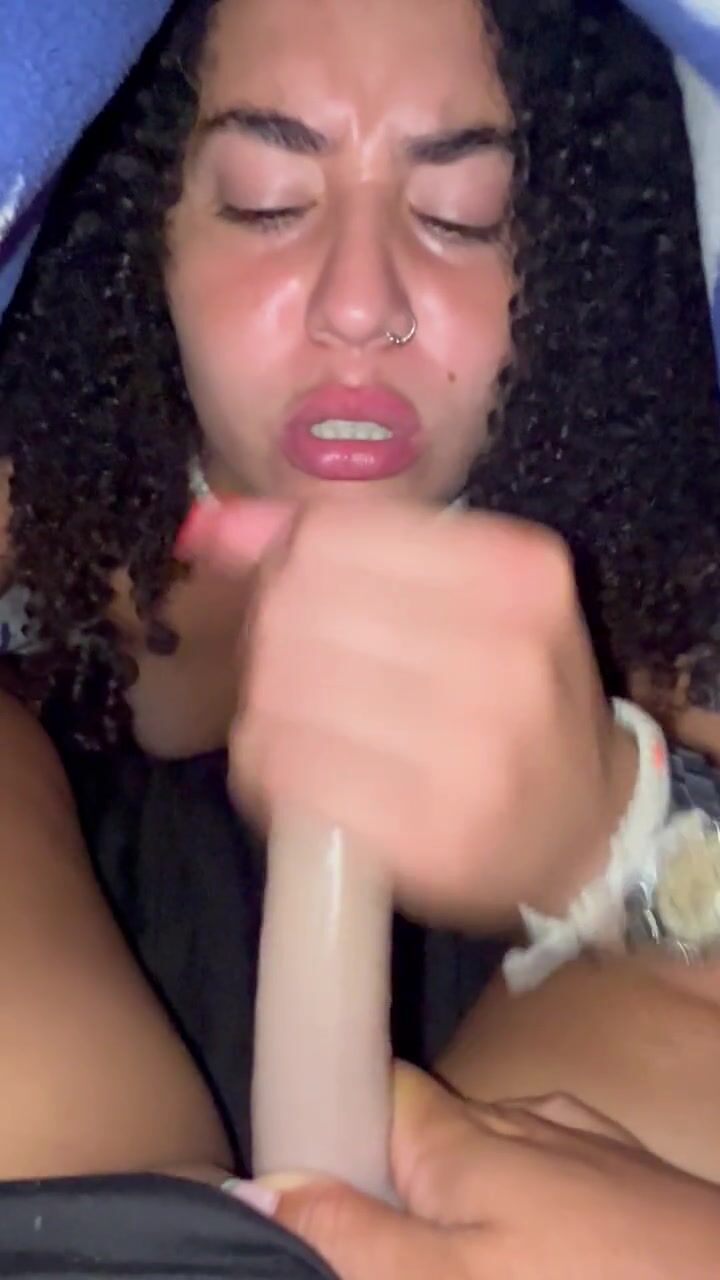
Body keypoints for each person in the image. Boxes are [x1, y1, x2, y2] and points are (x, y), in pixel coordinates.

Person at [0, 0, 719, 1258]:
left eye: (463, 215)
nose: (361, 306)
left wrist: (619, 836)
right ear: (143, 229)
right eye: (267, 201)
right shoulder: (34, 504)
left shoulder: (665, 570)